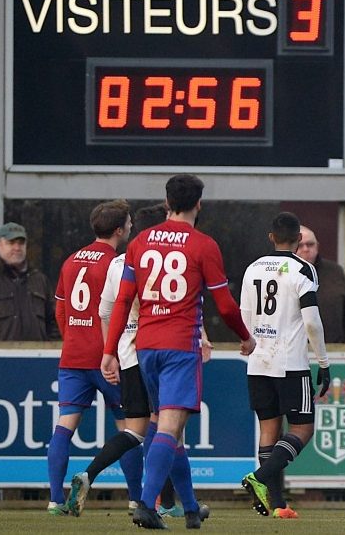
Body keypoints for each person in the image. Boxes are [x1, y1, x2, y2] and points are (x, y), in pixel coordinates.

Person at [102, 174, 255, 530]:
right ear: (199, 204)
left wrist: (109, 350)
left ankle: (189, 508)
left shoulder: (139, 242)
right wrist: (245, 337)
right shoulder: (203, 245)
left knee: (166, 428)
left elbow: (125, 299)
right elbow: (226, 306)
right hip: (179, 346)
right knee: (170, 428)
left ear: (167, 202)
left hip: (146, 347)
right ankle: (146, 504)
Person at [66, 203, 207, 520]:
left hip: (130, 359)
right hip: (159, 354)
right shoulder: (164, 260)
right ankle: (165, 505)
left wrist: (111, 353)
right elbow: (176, 306)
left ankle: (90, 474)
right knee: (169, 431)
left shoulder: (117, 264)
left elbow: (104, 314)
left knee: (138, 431)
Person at [46, 200, 138, 516]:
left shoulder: (71, 260)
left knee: (64, 428)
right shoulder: (116, 264)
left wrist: (73, 335)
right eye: (128, 222)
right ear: (119, 229)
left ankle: (55, 501)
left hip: (73, 357)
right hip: (107, 358)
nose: (131, 227)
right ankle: (136, 499)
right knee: (129, 427)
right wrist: (109, 350)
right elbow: (116, 310)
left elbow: (60, 307)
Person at [240, 213, 332, 519]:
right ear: (297, 241)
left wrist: (251, 341)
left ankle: (276, 504)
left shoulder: (252, 268)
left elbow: (244, 313)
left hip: (259, 361)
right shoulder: (302, 268)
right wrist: (323, 361)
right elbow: (311, 320)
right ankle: (260, 478)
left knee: (269, 428)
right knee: (303, 429)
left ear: (271, 237)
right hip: (290, 361)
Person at [0, 222, 56, 340]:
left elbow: (54, 324)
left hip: (38, 356)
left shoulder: (40, 280)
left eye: (21, 243)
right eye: (11, 243)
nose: (17, 248)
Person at [296, 225, 345, 344]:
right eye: (300, 245)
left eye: (310, 244)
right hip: (295, 352)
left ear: (317, 246)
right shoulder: (282, 273)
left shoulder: (334, 272)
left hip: (334, 351)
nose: (305, 249)